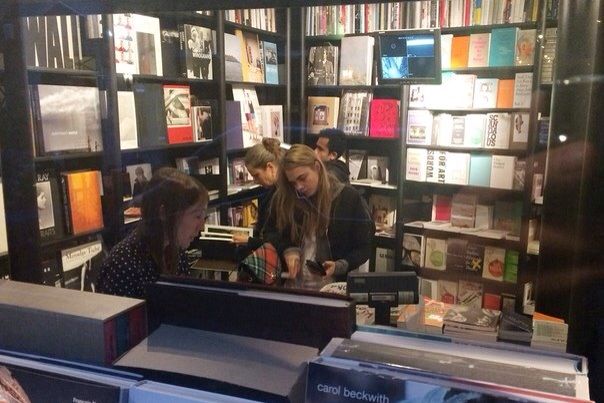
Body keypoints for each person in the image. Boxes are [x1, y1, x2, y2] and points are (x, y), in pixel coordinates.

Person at [263, 144, 374, 290]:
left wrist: (339, 266)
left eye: (302, 178)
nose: (298, 187)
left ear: (317, 167)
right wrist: (288, 249)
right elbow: (269, 233)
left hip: (332, 289)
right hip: (293, 287)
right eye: (293, 182)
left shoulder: (347, 198)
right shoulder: (285, 197)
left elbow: (364, 247)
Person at [97, 167, 208, 299]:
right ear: (164, 213)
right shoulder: (122, 265)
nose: (202, 227)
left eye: (204, 217)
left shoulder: (175, 252)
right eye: (197, 216)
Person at [232, 138, 281, 251]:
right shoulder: (270, 193)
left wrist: (249, 241)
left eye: (256, 175)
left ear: (270, 167)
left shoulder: (283, 196)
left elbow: (280, 240)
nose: (255, 181)